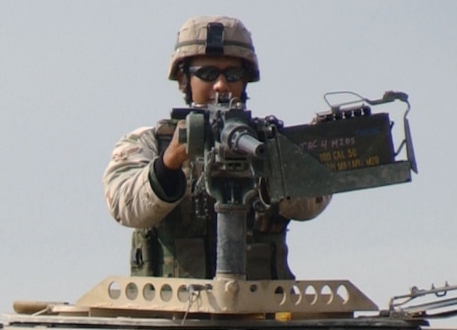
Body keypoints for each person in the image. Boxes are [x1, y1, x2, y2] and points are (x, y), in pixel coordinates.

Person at [102, 16, 329, 280]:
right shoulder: (147, 142)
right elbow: (125, 205)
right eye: (208, 74)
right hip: (171, 313)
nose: (221, 85)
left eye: (232, 75)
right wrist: (169, 162)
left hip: (259, 311)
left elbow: (313, 201)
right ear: (183, 79)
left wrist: (273, 165)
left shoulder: (269, 143)